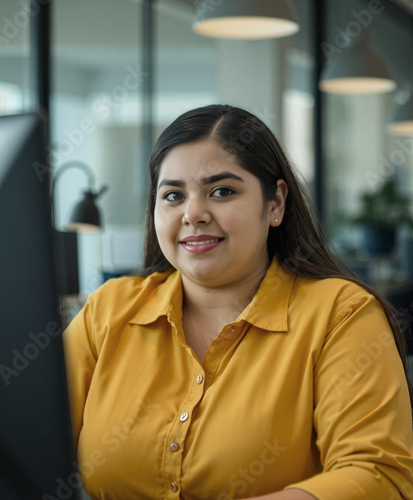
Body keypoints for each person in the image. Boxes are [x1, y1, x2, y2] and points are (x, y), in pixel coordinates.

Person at [64, 104, 413, 500]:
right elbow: (20, 438)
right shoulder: (108, 311)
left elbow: (378, 477)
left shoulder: (340, 314)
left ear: (275, 204)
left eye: (222, 191)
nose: (193, 214)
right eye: (173, 195)